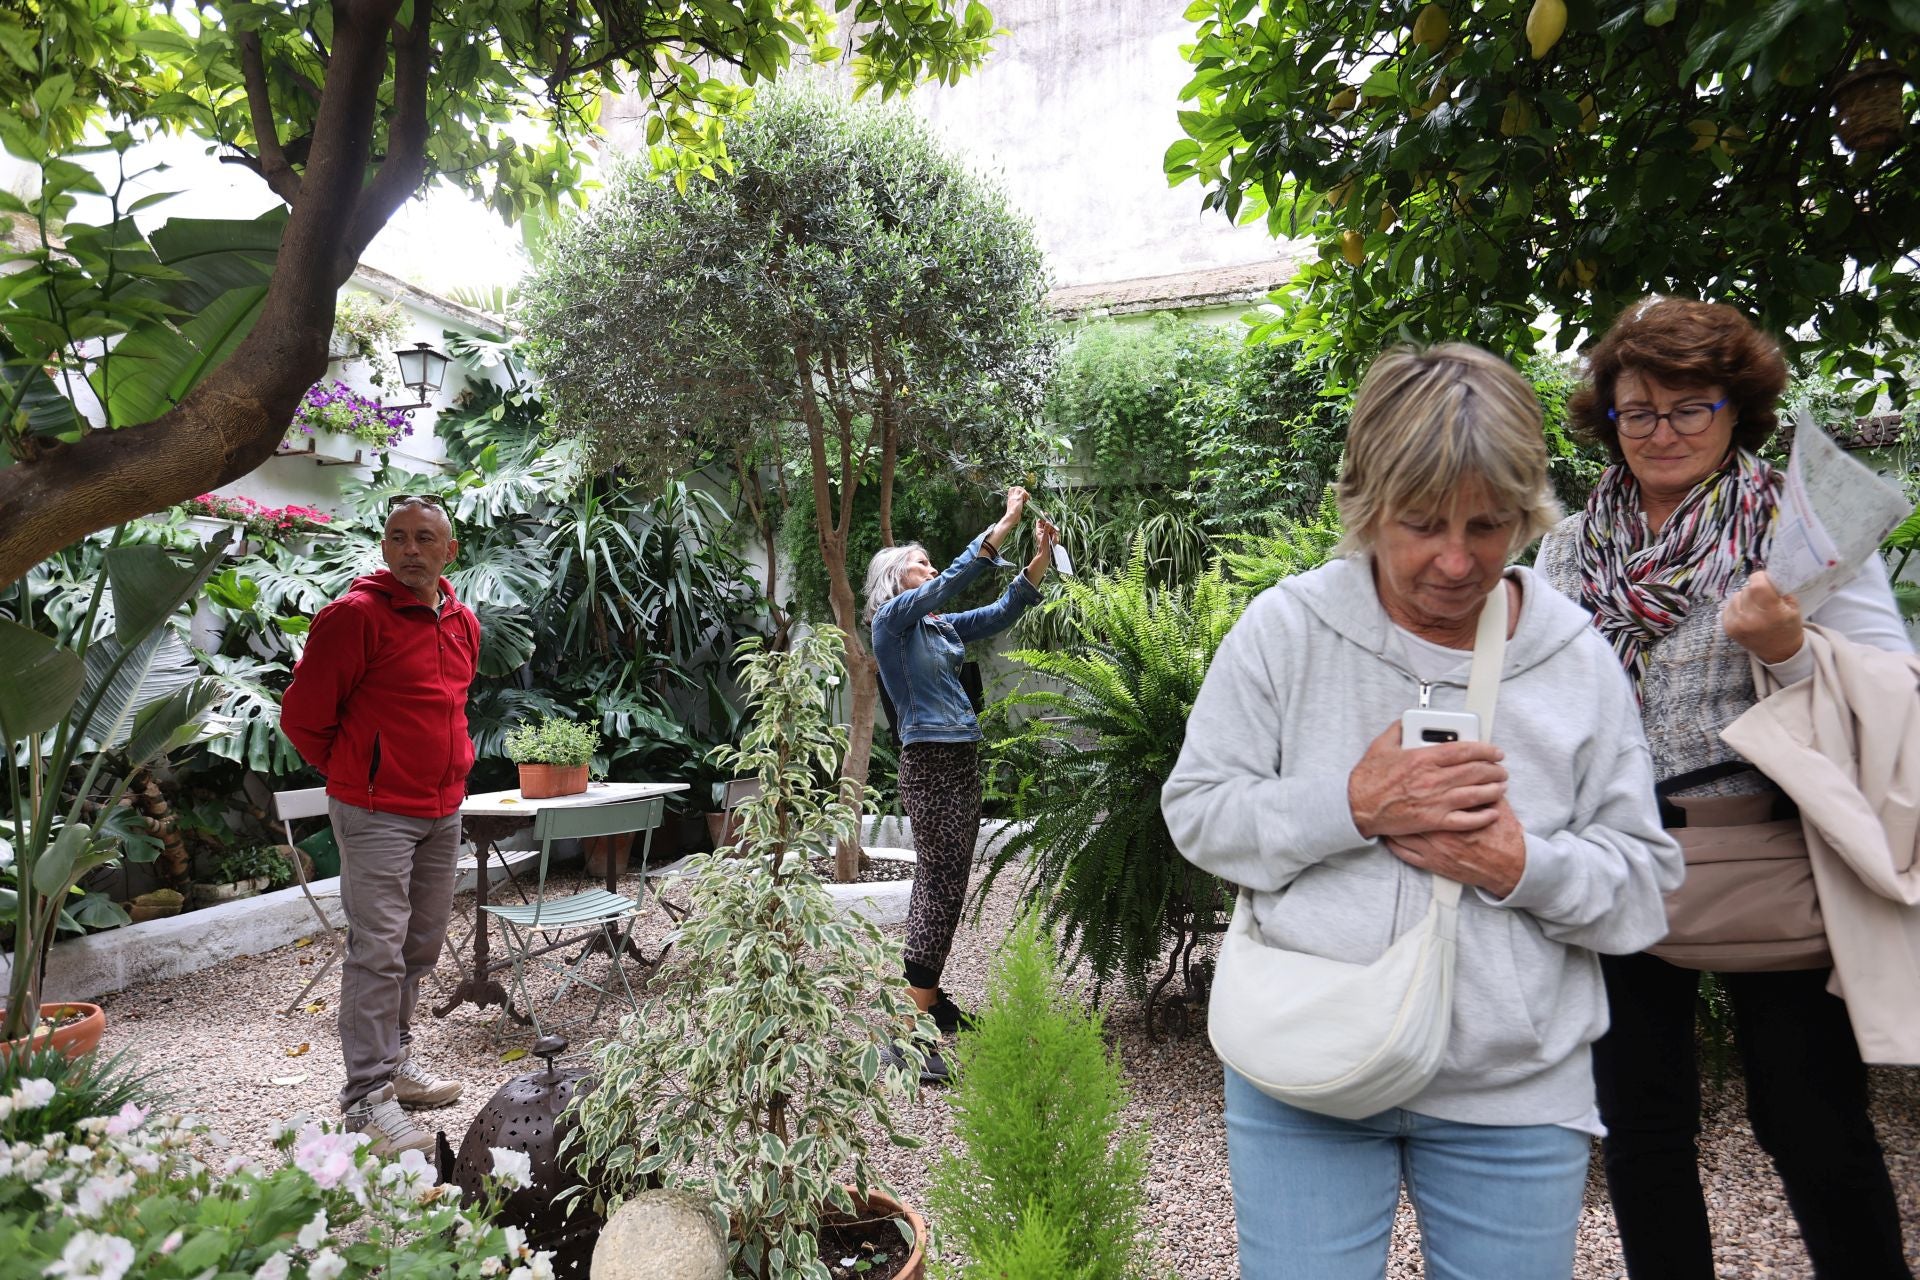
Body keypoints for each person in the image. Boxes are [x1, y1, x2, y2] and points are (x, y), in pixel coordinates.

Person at [1163, 344, 1682, 1279]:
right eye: (1420, 524)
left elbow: (1643, 891)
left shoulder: (1575, 659)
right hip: (1306, 1067)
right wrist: (1353, 803)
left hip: (1514, 1093)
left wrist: (1521, 865)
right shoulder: (1286, 632)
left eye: (1488, 526)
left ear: (1528, 515)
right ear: (1364, 509)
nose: (1455, 559)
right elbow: (1199, 815)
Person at [1535, 296, 1916, 1280]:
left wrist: (1788, 652)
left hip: (1771, 854)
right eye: (1639, 411)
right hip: (1618, 857)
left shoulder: (1803, 529)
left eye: (1689, 407)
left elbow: (1894, 692)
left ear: (1734, 407)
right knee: (1641, 1128)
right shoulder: (1570, 547)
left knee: (1809, 1117)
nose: (1663, 432)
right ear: (1606, 415)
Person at [281, 496, 480, 1156]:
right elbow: (305, 718)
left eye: (425, 538)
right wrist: (359, 775)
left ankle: (395, 1064)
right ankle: (366, 1100)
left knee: (419, 946)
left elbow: (448, 710)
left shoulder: (462, 624)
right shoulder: (354, 617)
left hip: (441, 808)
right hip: (375, 814)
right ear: (385, 546)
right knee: (378, 948)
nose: (411, 549)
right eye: (398, 537)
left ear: (448, 551)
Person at [863, 486, 1058, 1082]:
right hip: (927, 763)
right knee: (938, 885)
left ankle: (931, 999)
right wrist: (1004, 521)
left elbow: (1000, 612)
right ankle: (908, 1031)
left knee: (948, 880)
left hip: (961, 758)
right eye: (919, 562)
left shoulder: (940, 627)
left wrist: (1040, 557)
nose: (928, 568)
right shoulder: (893, 624)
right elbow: (948, 582)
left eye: (928, 561)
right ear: (896, 578)